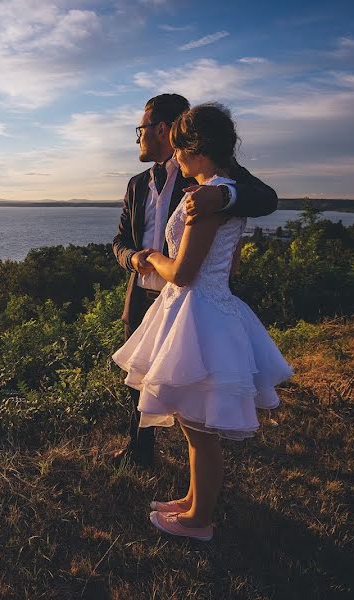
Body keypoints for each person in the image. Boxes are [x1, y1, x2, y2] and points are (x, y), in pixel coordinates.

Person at [112, 103, 293, 540]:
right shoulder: (166, 186)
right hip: (197, 307)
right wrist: (137, 256)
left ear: (191, 147)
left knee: (200, 430)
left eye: (179, 150)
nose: (176, 159)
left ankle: (199, 520)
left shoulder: (211, 194)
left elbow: (186, 271)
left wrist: (153, 258)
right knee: (194, 426)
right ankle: (193, 502)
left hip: (196, 314)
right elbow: (224, 265)